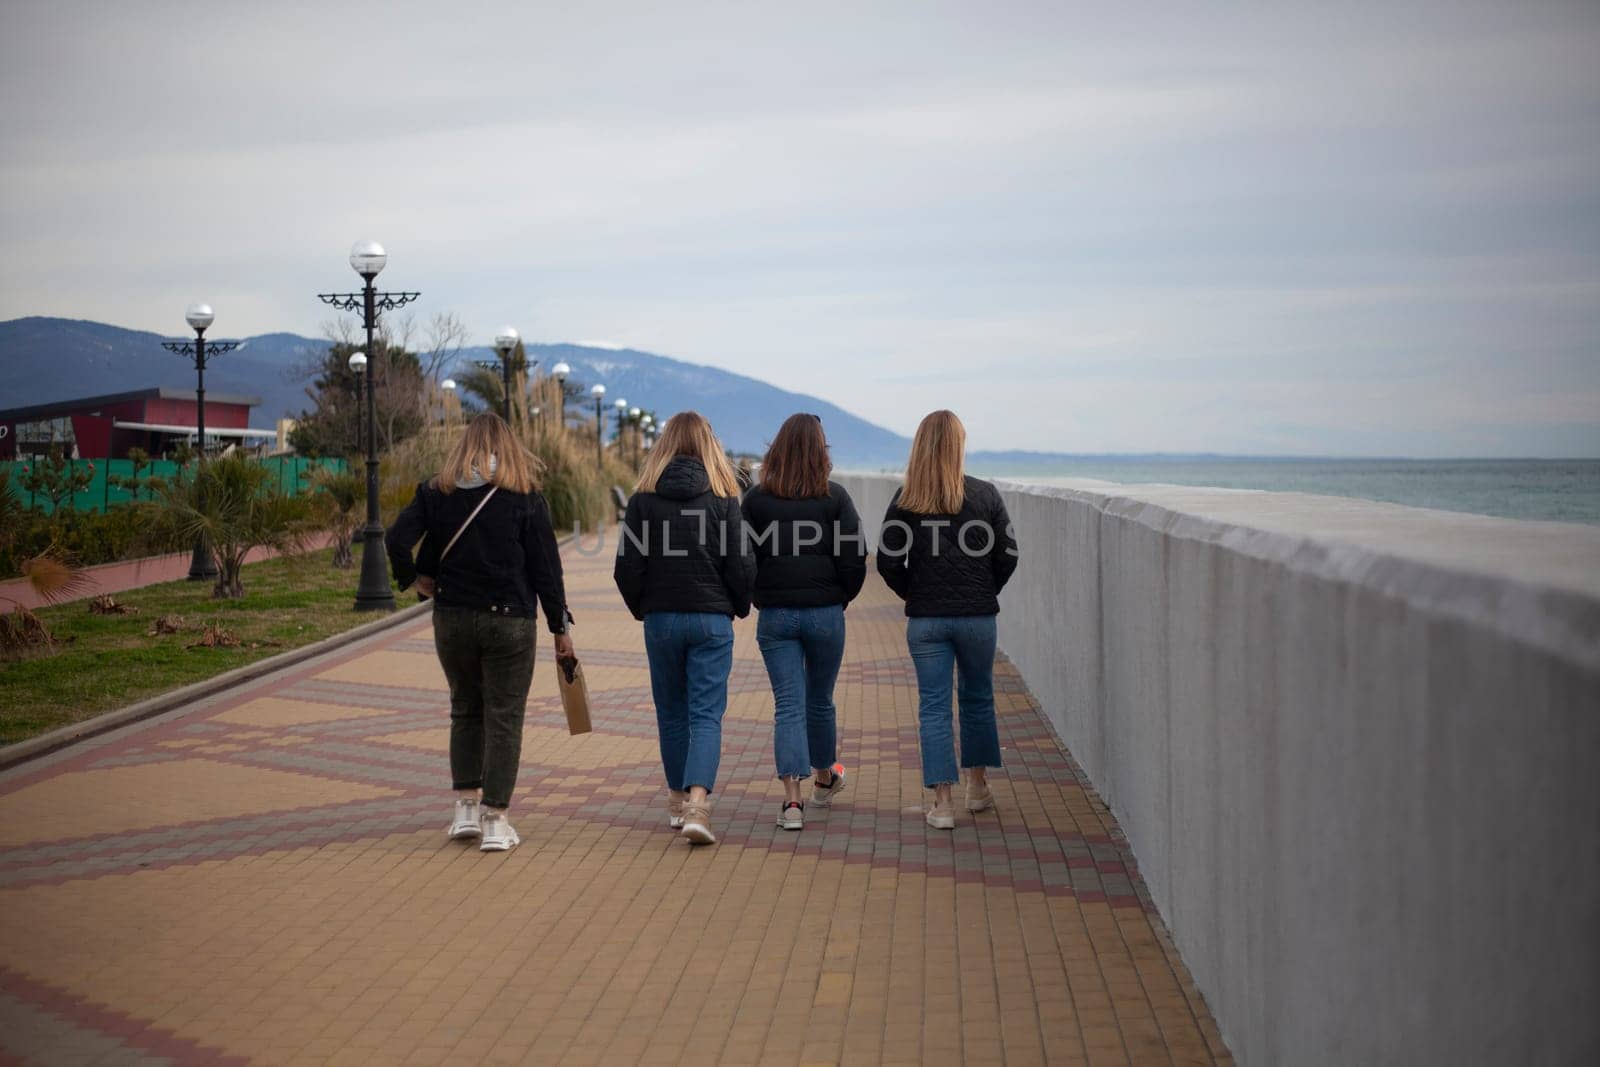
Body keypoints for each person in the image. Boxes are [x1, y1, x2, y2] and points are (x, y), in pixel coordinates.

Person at [386, 412, 573, 853]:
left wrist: (414, 579)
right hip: (509, 621)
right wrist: (559, 628)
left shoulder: (436, 491)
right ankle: (496, 819)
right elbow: (547, 570)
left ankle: (465, 811)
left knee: (465, 709)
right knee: (504, 717)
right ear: (507, 447)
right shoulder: (526, 497)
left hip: (451, 618)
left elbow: (396, 539)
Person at [613, 411, 755, 845]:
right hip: (712, 619)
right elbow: (742, 565)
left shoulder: (642, 501)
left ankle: (676, 803)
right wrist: (737, 607)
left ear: (664, 446)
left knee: (671, 712)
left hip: (662, 619)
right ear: (709, 445)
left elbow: (626, 569)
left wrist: (645, 609)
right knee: (706, 714)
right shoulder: (724, 500)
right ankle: (698, 802)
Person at [877, 410, 1018, 829]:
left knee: (934, 708)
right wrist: (983, 591)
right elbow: (1008, 555)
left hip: (927, 621)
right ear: (959, 446)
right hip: (978, 619)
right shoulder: (986, 495)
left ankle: (942, 804)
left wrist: (914, 593)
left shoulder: (906, 500)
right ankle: (977, 788)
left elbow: (887, 560)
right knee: (977, 699)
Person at [743, 414, 866, 830]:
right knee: (821, 699)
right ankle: (824, 778)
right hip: (825, 612)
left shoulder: (757, 500)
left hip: (775, 615)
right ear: (821, 451)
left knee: (788, 706)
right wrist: (839, 597)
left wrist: (760, 596)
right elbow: (854, 558)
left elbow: (743, 559)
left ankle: (792, 805)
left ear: (777, 449)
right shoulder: (836, 498)